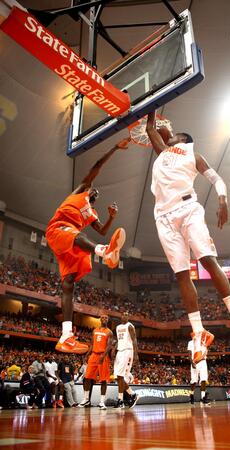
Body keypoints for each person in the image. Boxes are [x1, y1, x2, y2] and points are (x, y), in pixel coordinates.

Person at [146, 112, 230, 363]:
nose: (171, 137)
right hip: (163, 217)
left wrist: (223, 200)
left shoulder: (192, 154)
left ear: (183, 139)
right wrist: (152, 106)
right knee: (182, 274)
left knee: (207, 260)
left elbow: (216, 178)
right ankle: (198, 333)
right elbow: (151, 128)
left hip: (188, 209)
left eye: (175, 135)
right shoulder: (163, 153)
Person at [46, 139, 130, 354]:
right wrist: (114, 148)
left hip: (70, 241)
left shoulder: (92, 213)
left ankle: (66, 336)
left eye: (96, 195)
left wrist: (111, 218)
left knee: (69, 283)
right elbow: (97, 167)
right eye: (94, 190)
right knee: (80, 237)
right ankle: (104, 251)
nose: (95, 193)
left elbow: (101, 230)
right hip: (59, 229)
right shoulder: (81, 190)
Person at [78, 314, 113, 409]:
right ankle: (85, 399)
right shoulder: (95, 330)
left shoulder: (109, 332)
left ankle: (102, 402)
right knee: (87, 377)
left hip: (103, 356)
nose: (104, 319)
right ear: (100, 319)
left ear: (108, 320)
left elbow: (109, 346)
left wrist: (103, 356)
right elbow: (92, 344)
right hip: (93, 355)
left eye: (106, 318)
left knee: (103, 379)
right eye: (103, 317)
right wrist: (87, 354)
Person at [113, 311, 139, 409]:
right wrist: (114, 349)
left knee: (121, 376)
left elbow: (134, 339)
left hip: (128, 351)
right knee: (117, 377)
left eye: (127, 315)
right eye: (123, 314)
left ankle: (127, 397)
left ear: (129, 317)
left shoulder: (130, 326)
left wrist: (136, 354)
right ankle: (125, 398)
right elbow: (119, 340)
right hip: (119, 351)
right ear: (121, 316)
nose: (125, 316)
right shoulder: (118, 327)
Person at [188, 339, 211, 405]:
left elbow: (207, 349)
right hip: (194, 361)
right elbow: (189, 353)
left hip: (203, 361)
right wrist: (192, 362)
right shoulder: (190, 342)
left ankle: (203, 398)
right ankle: (191, 394)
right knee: (194, 380)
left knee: (203, 379)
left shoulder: (204, 342)